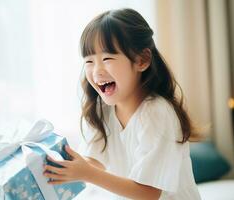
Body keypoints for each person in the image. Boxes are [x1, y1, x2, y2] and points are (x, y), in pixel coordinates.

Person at [43, 8, 202, 200]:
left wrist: (87, 173)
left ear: (142, 60)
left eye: (107, 58)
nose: (96, 71)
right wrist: (64, 167)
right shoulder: (102, 110)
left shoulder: (157, 112)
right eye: (89, 61)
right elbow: (93, 162)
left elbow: (148, 193)